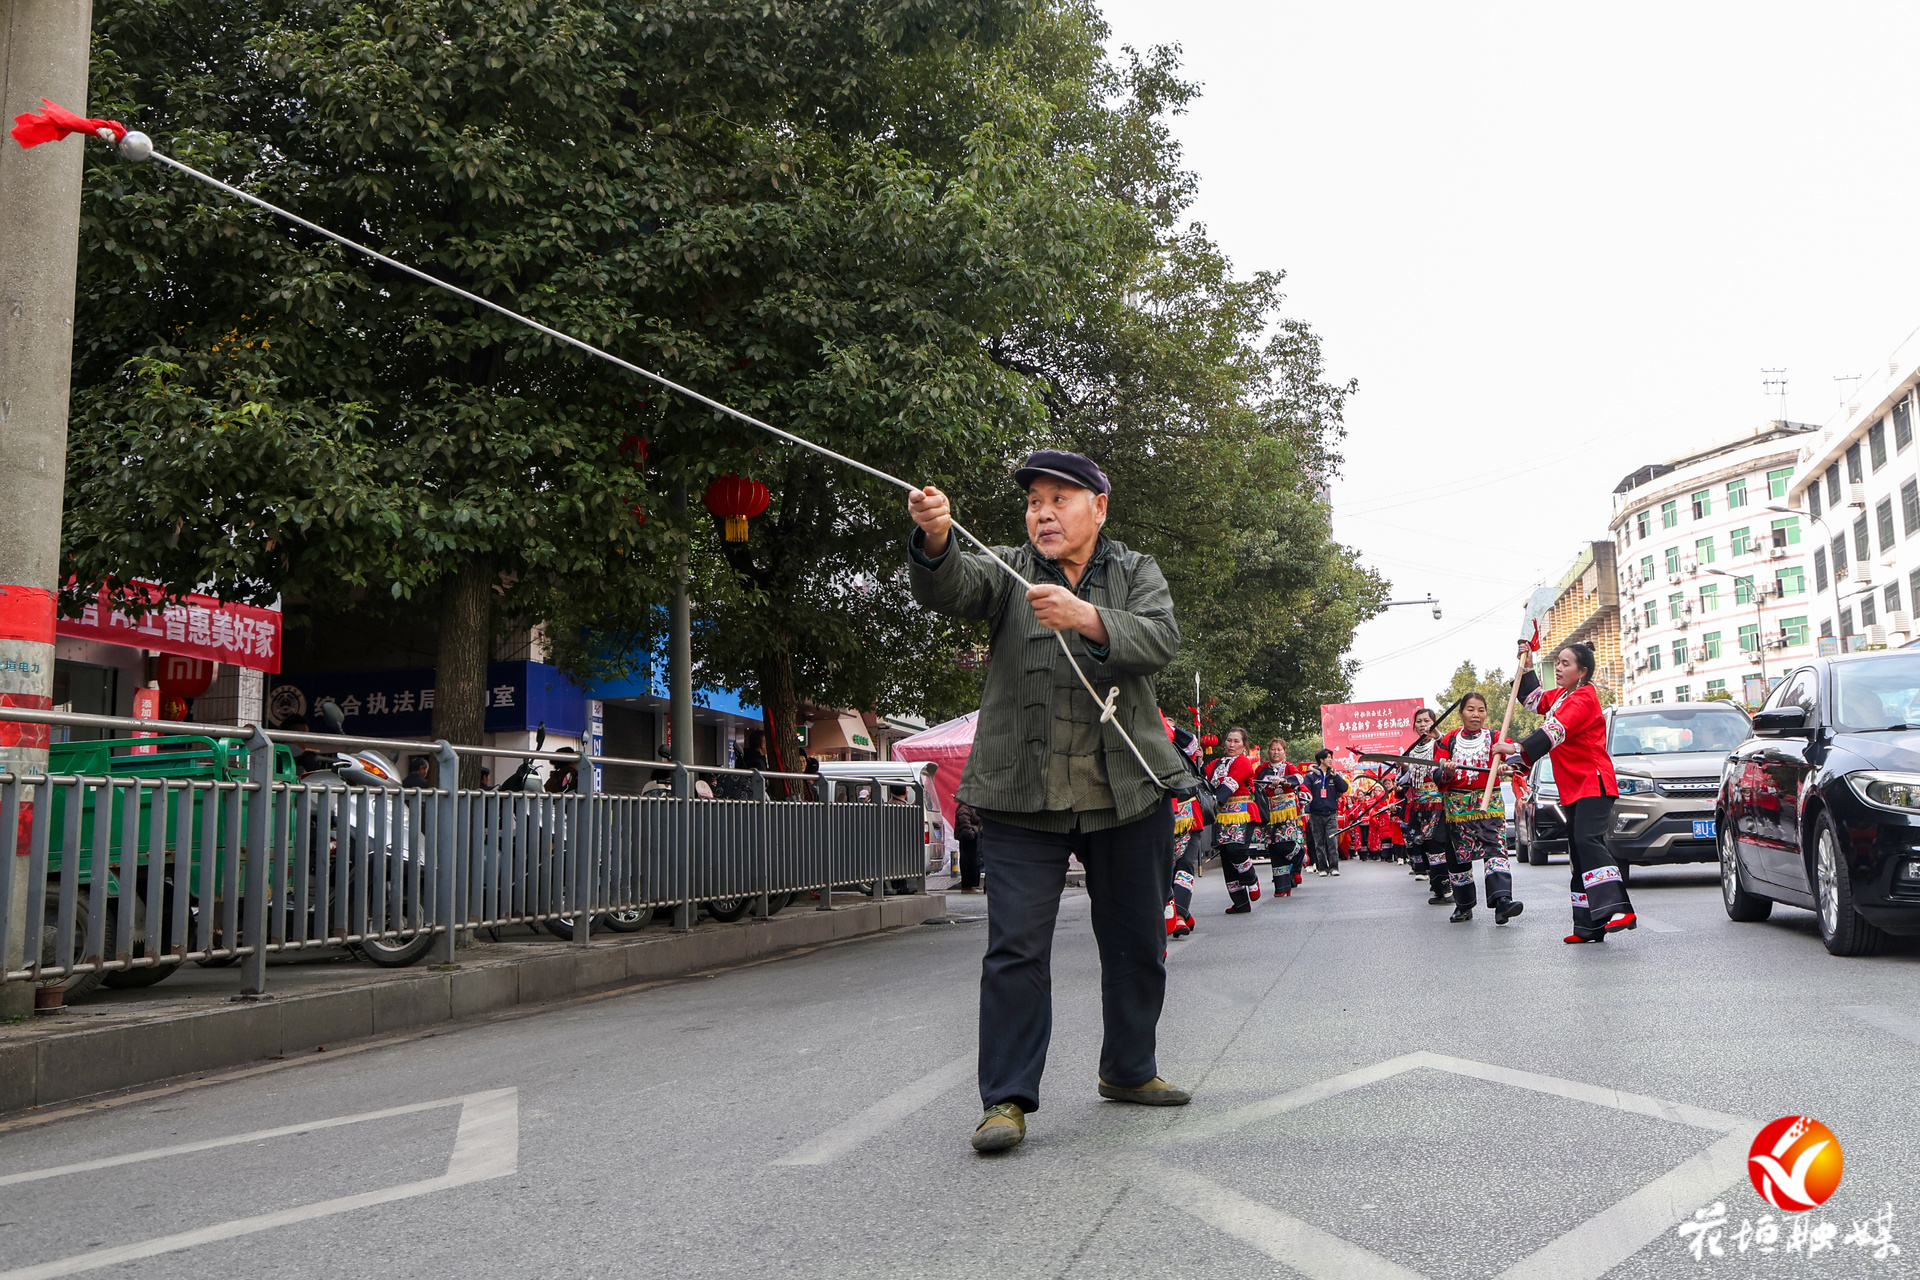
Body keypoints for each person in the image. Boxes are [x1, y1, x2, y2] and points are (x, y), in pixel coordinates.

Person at [907, 448, 1196, 1155]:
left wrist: (1087, 618)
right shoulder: (1007, 570)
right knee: (1014, 948)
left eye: (1059, 499)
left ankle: (1129, 1070)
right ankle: (1005, 1099)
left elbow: (1160, 640)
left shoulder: (1136, 571)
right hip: (1020, 796)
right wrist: (936, 538)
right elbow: (951, 587)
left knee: (1138, 942)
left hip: (1127, 792)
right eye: (1034, 501)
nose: (1043, 513)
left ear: (1099, 508)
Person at [1495, 640, 1636, 943]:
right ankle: (1588, 926)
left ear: (1582, 672)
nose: (1558, 668)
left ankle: (1618, 908)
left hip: (1593, 782)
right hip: (1572, 785)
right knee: (1578, 851)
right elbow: (1532, 701)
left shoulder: (1584, 698)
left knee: (1587, 841)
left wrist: (1516, 748)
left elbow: (1555, 731)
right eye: (1557, 662)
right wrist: (1527, 666)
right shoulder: (1561, 696)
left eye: (1566, 663)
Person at [1433, 693, 1524, 925]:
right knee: (1459, 856)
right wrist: (1447, 772)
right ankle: (1464, 905)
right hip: (1458, 808)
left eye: (1481, 710)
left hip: (1489, 805)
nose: (1476, 714)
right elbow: (1436, 773)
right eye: (1471, 709)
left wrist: (1507, 767)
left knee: (1495, 849)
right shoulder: (1449, 740)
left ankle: (1502, 901)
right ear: (1461, 713)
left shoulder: (1496, 737)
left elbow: (1518, 759)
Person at [1207, 728, 1265, 913]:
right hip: (1221, 815)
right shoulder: (1216, 763)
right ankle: (1240, 902)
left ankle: (1251, 878)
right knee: (1226, 855)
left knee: (1236, 849)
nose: (1231, 744)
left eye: (1236, 741)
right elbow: (1204, 780)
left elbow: (1230, 784)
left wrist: (1214, 799)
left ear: (1244, 745)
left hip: (1241, 813)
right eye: (1229, 740)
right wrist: (1197, 760)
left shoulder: (1243, 762)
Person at [1401, 708, 1452, 902]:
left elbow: (1449, 749)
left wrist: (1437, 735)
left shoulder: (1440, 743)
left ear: (1434, 722)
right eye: (1419, 721)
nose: (1423, 725)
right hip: (1419, 807)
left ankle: (1446, 887)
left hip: (1439, 804)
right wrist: (1403, 768)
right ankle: (1437, 887)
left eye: (1427, 721)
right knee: (1423, 846)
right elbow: (1408, 779)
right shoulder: (1412, 750)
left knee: (1438, 844)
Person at [1258, 739, 1304, 898]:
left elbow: (1299, 779)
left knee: (1284, 844)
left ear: (1284, 752)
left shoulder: (1289, 767)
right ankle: (1281, 886)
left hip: (1286, 812)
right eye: (1273, 749)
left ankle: (1300, 853)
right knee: (1273, 846)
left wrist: (1284, 780)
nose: (1275, 752)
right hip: (1268, 812)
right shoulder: (1261, 769)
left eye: (1279, 749)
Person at [1301, 749, 1347, 875]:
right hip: (1316, 814)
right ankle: (1322, 868)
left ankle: (1334, 867)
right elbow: (1306, 794)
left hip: (1331, 813)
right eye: (1328, 757)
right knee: (1319, 842)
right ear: (1321, 760)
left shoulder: (1333, 775)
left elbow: (1344, 788)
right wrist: (1307, 811)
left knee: (1332, 841)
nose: (1330, 760)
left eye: (1331, 757)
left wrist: (1336, 776)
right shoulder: (1310, 776)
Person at [955, 801, 984, 893]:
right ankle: (968, 886)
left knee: (974, 862)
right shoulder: (965, 808)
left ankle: (971, 885)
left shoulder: (971, 807)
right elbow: (964, 822)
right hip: (968, 838)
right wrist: (972, 833)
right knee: (968, 862)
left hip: (973, 837)